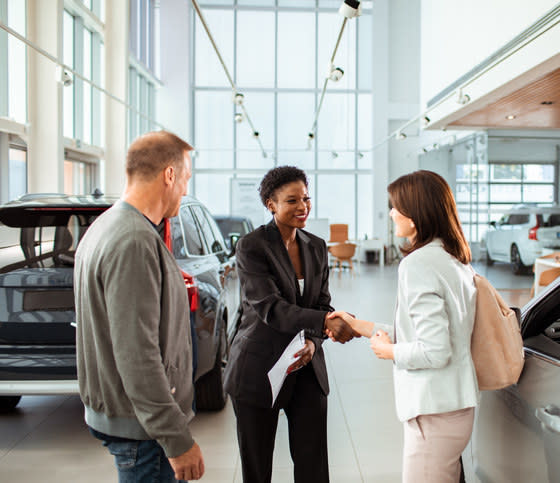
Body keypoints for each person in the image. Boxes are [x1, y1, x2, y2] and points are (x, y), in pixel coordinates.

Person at [330, 170, 478, 483]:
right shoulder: (455, 260)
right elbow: (430, 332)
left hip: (433, 414)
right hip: (455, 407)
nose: (392, 213)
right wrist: (361, 326)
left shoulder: (418, 264)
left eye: (397, 206)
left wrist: (388, 351)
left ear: (416, 214)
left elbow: (435, 350)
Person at [74, 131, 204, 482]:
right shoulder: (133, 240)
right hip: (144, 432)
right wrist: (176, 438)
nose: (186, 190)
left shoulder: (108, 226)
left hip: (137, 422)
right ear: (169, 175)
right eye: (186, 179)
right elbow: (137, 353)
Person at [223, 165, 358, 483]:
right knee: (257, 471)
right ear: (270, 204)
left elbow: (322, 303)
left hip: (306, 367)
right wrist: (324, 322)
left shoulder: (316, 246)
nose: (302, 207)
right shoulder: (252, 246)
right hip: (258, 369)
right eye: (292, 200)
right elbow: (271, 308)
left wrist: (314, 341)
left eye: (306, 199)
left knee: (313, 468)